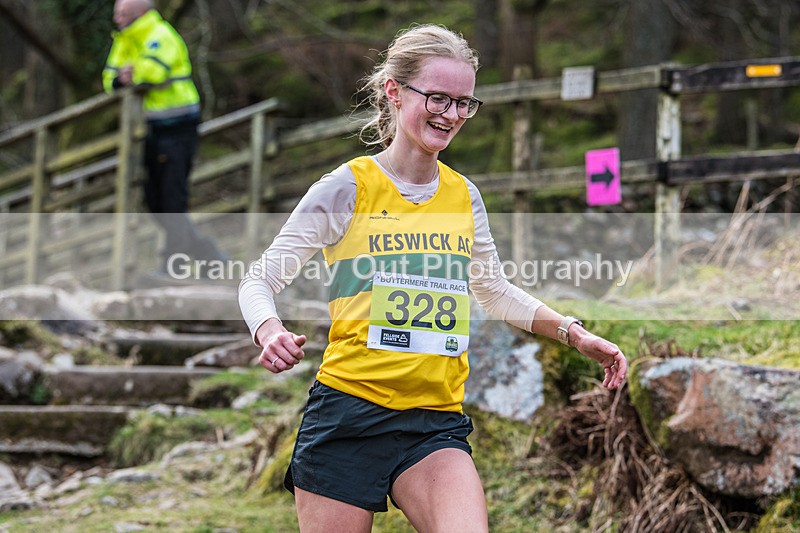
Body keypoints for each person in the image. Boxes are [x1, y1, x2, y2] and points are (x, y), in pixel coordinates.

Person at [239, 24, 627, 533]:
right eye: (438, 98)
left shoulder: (464, 197)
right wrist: (268, 331)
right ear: (394, 92)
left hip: (432, 421)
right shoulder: (346, 188)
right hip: (347, 415)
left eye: (464, 103)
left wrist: (573, 333)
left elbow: (493, 290)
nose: (450, 115)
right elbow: (259, 278)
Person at [103, 0, 226, 277]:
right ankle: (210, 257)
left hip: (178, 126)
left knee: (172, 201)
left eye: (123, 14)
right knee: (155, 203)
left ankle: (174, 267)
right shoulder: (123, 40)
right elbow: (109, 78)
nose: (117, 19)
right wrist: (123, 77)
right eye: (116, 13)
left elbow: (151, 73)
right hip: (150, 130)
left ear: (140, 13)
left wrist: (130, 74)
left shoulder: (162, 34)